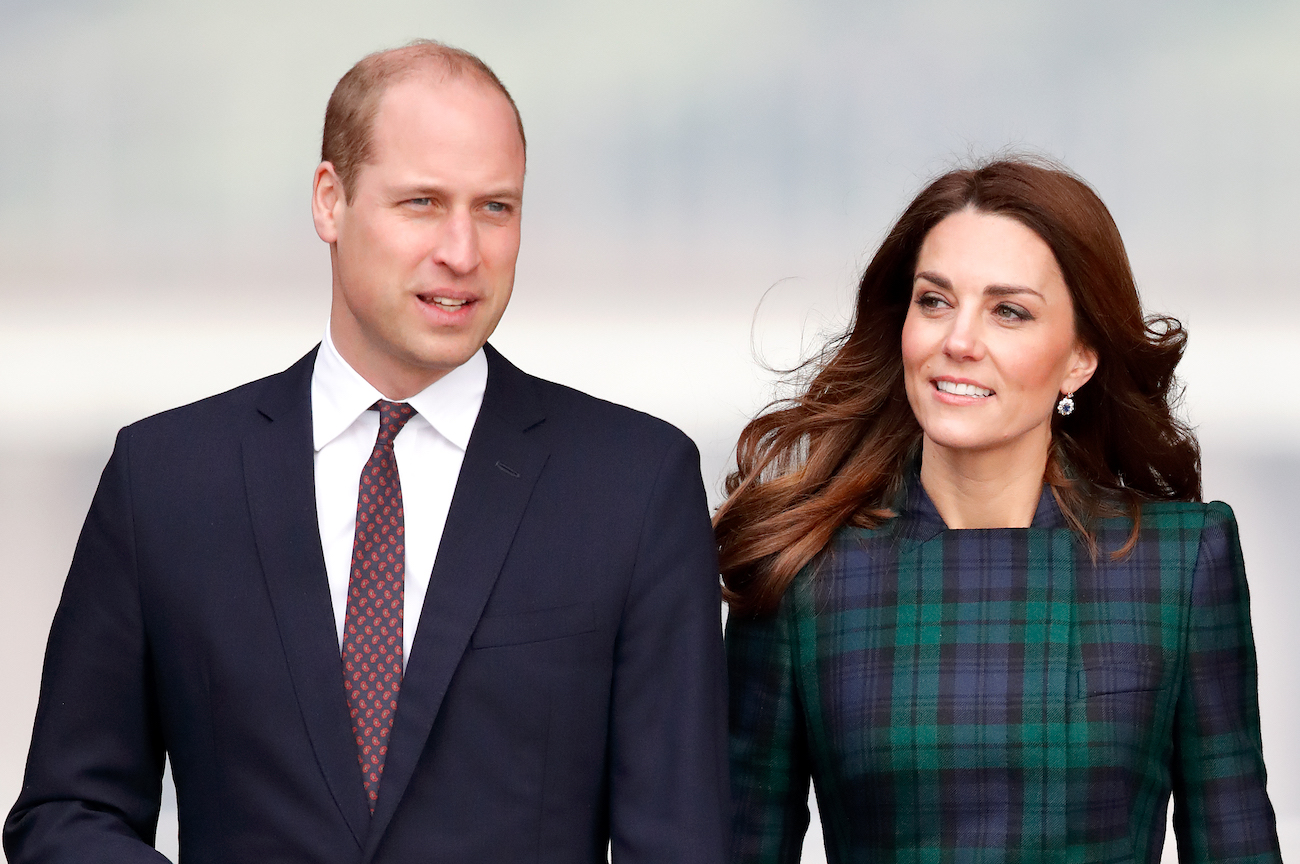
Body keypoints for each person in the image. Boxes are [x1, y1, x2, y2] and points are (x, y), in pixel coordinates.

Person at [5, 40, 729, 863]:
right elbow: (66, 814)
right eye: (422, 202)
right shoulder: (165, 480)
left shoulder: (633, 486)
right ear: (329, 201)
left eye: (496, 207)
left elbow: (679, 842)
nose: (463, 250)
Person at [718, 158, 1281, 863]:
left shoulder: (1180, 562)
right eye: (935, 301)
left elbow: (1237, 846)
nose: (959, 340)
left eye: (1008, 310)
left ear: (1080, 357)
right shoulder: (804, 571)